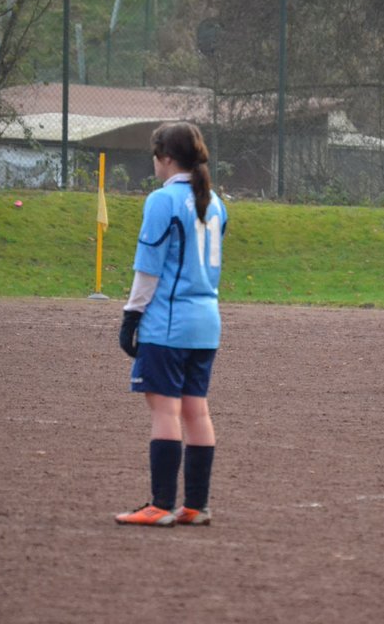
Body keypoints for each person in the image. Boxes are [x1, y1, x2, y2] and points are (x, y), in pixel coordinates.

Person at [115, 122, 227, 527]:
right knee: (197, 411)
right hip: (206, 323)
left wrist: (131, 316)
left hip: (169, 324)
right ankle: (195, 506)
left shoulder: (162, 200)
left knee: (164, 409)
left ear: (164, 158)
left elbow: (149, 267)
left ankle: (160, 505)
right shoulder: (215, 201)